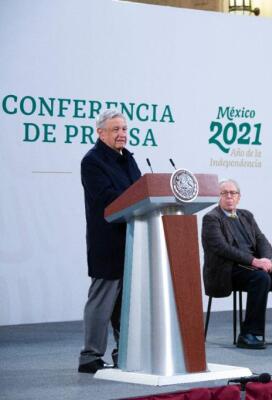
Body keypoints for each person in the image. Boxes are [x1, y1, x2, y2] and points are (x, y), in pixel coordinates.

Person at [201, 179, 272, 349]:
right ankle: (249, 334)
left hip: (253, 267)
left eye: (233, 193)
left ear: (239, 197)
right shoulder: (211, 218)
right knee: (261, 278)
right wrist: (255, 261)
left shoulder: (246, 215)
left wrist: (267, 259)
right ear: (219, 197)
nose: (229, 196)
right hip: (228, 270)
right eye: (224, 193)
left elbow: (261, 240)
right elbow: (222, 249)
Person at [78, 110, 141, 373]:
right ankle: (90, 356)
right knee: (102, 301)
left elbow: (142, 190)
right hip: (107, 242)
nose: (122, 134)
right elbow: (106, 198)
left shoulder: (128, 159)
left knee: (125, 303)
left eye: (124, 129)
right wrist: (136, 199)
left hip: (133, 239)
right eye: (115, 129)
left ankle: (122, 351)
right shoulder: (92, 161)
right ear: (100, 133)